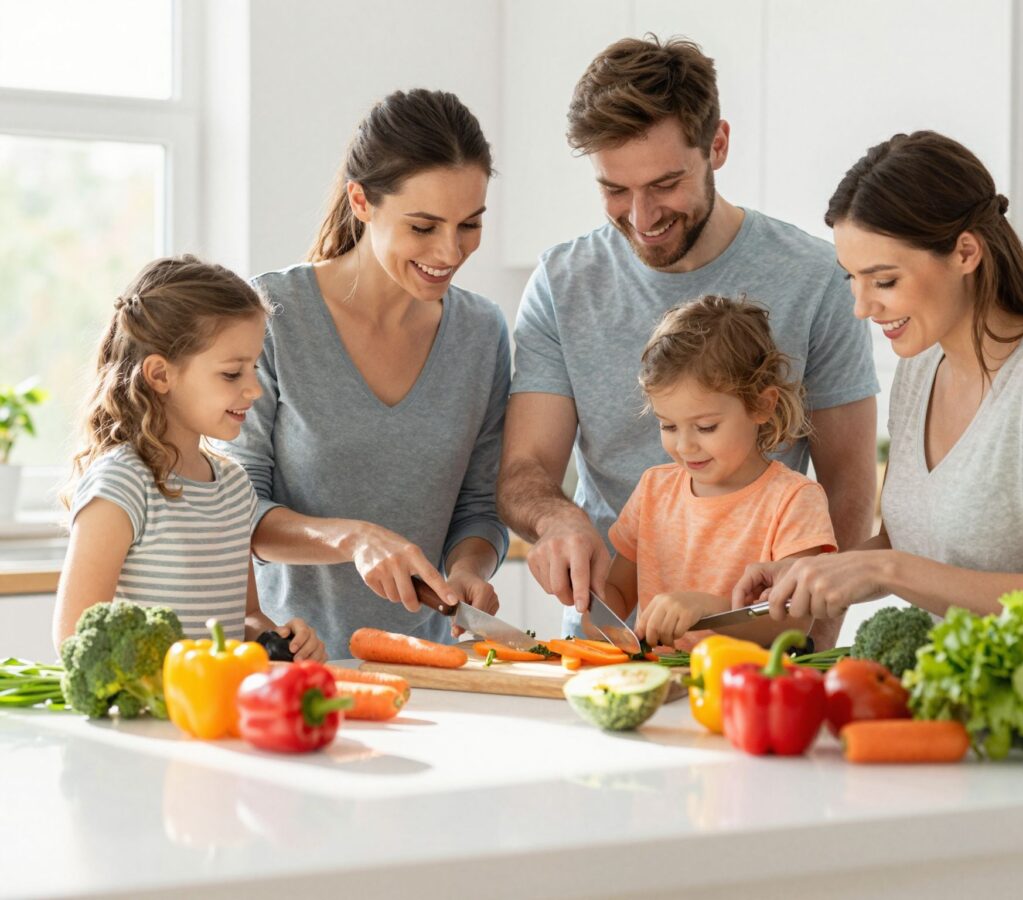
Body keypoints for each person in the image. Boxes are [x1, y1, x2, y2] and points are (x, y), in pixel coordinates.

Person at [498, 36, 879, 648]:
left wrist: (803, 650)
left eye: (665, 184)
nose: (642, 218)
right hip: (610, 650)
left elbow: (850, 493)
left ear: (717, 146)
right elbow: (525, 471)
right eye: (615, 190)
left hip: (755, 653)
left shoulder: (816, 278)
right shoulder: (562, 283)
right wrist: (557, 520)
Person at [734, 130, 1023, 661]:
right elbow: (910, 546)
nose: (861, 307)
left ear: (966, 252)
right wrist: (819, 570)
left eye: (884, 280)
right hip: (954, 703)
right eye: (852, 278)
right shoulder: (921, 368)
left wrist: (882, 569)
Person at [218, 89, 510, 661]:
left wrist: (469, 568)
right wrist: (353, 539)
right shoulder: (273, 314)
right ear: (361, 201)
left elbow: (479, 503)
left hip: (432, 670)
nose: (450, 252)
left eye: (469, 224)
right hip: (294, 665)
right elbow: (234, 510)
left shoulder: (482, 333)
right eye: (423, 227)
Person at [52, 255, 327, 661]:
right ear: (161, 375)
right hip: (149, 717)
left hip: (212, 712)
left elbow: (247, 616)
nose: (254, 389)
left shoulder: (233, 487)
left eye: (254, 367)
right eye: (232, 374)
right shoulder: (122, 484)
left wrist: (279, 639)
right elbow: (76, 637)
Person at [604, 295, 837, 650]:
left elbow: (794, 623)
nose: (685, 446)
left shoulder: (793, 500)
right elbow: (617, 593)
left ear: (762, 405)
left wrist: (712, 610)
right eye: (668, 426)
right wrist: (583, 589)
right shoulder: (654, 488)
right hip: (659, 683)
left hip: (744, 688)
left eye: (706, 427)